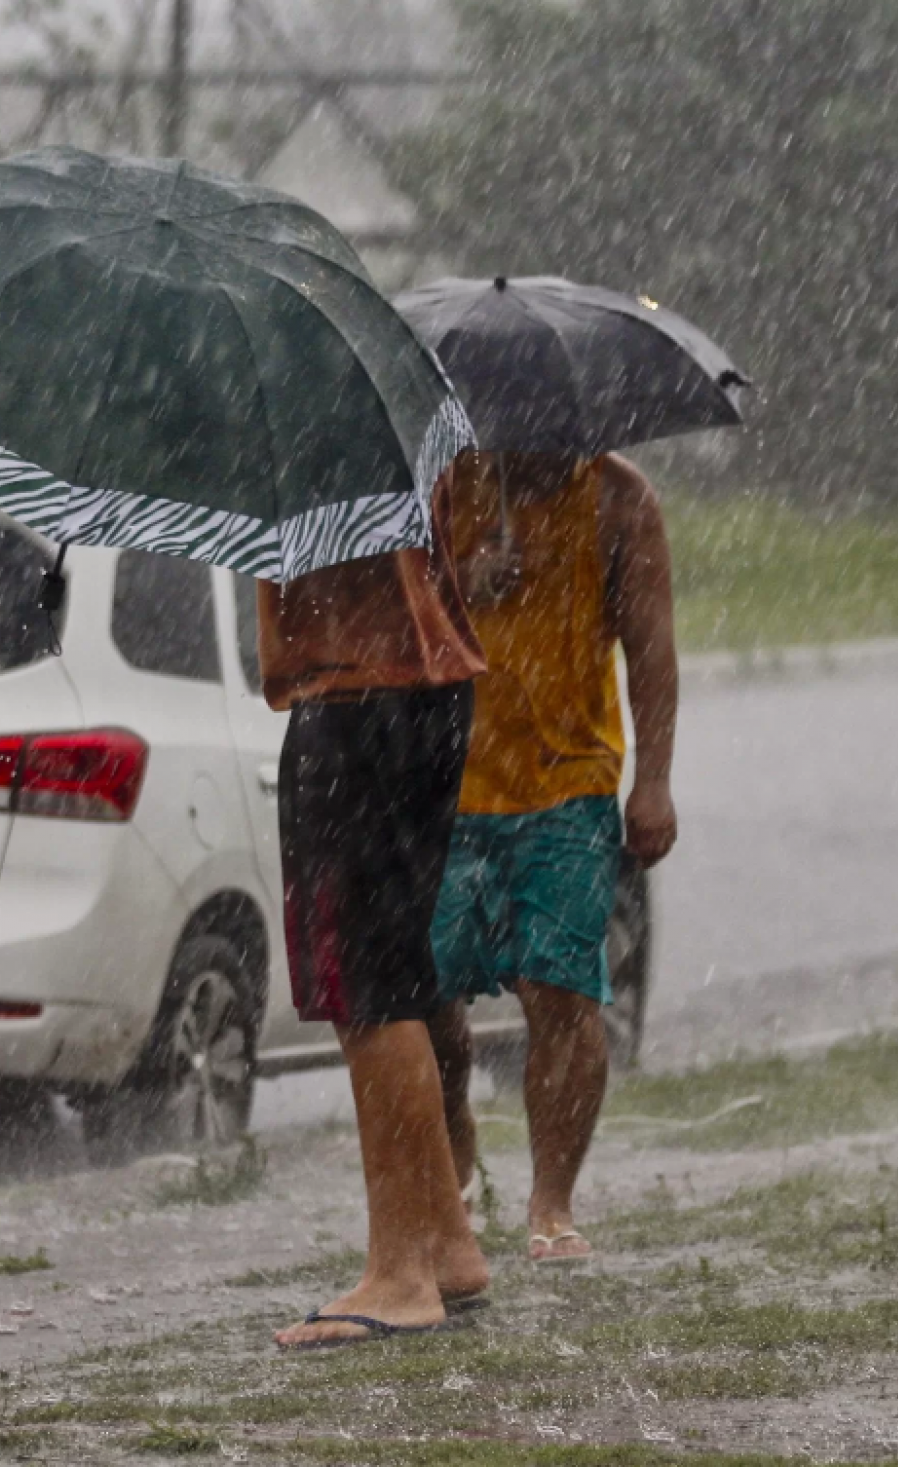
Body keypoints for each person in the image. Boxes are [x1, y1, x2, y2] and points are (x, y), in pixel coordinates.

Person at [260, 461, 493, 1349]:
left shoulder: (303, 417)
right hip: (423, 690)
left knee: (364, 986)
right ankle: (443, 1241)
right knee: (393, 967)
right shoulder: (388, 410)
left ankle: (398, 1273)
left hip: (355, 694)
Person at [427, 449, 679, 1263]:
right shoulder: (442, 488)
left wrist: (655, 782)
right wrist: (462, 580)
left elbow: (651, 648)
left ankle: (551, 1202)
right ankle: (456, 1134)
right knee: (426, 995)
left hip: (571, 780)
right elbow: (387, 616)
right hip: (447, 783)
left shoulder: (620, 499)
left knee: (562, 989)